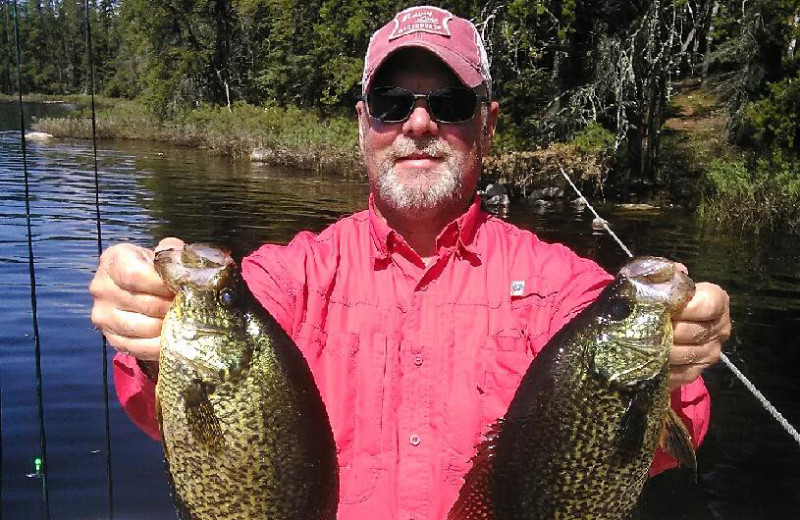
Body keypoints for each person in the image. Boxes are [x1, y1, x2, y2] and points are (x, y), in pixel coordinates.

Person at [89, 6, 730, 520]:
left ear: (487, 126)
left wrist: (680, 354)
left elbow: (671, 426)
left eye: (449, 103)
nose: (419, 123)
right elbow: (164, 395)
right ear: (364, 125)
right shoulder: (291, 277)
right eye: (394, 103)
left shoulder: (563, 285)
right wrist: (144, 315)